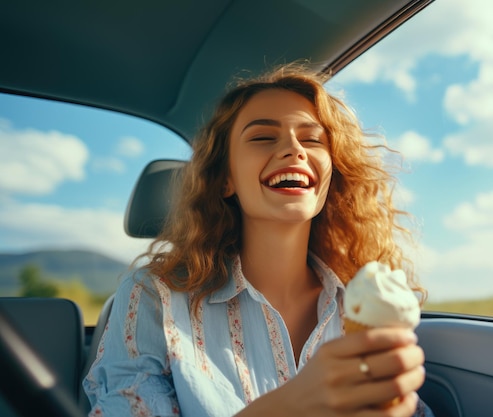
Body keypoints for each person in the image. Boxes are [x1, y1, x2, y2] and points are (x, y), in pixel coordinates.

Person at [83, 62, 434, 417]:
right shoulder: (154, 295)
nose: (295, 149)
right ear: (224, 180)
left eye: (313, 139)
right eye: (263, 137)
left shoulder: (361, 303)